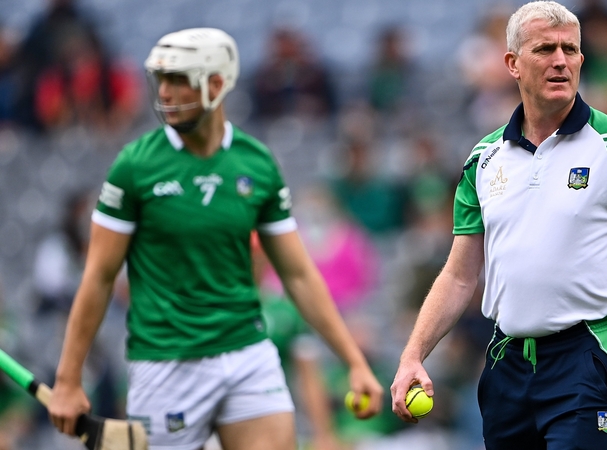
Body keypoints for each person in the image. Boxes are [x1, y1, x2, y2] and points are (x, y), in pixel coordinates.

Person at [389, 2, 607, 449]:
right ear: (512, 63)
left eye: (570, 49)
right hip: (506, 361)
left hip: (587, 356)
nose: (560, 61)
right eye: (545, 49)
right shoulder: (483, 159)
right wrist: (413, 354)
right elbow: (458, 275)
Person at [46, 28, 383, 450]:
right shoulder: (134, 167)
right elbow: (97, 277)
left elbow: (297, 274)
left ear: (217, 84)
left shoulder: (255, 164)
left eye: (179, 80)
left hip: (247, 354)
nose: (165, 93)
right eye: (160, 80)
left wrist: (353, 360)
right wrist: (67, 379)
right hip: (166, 364)